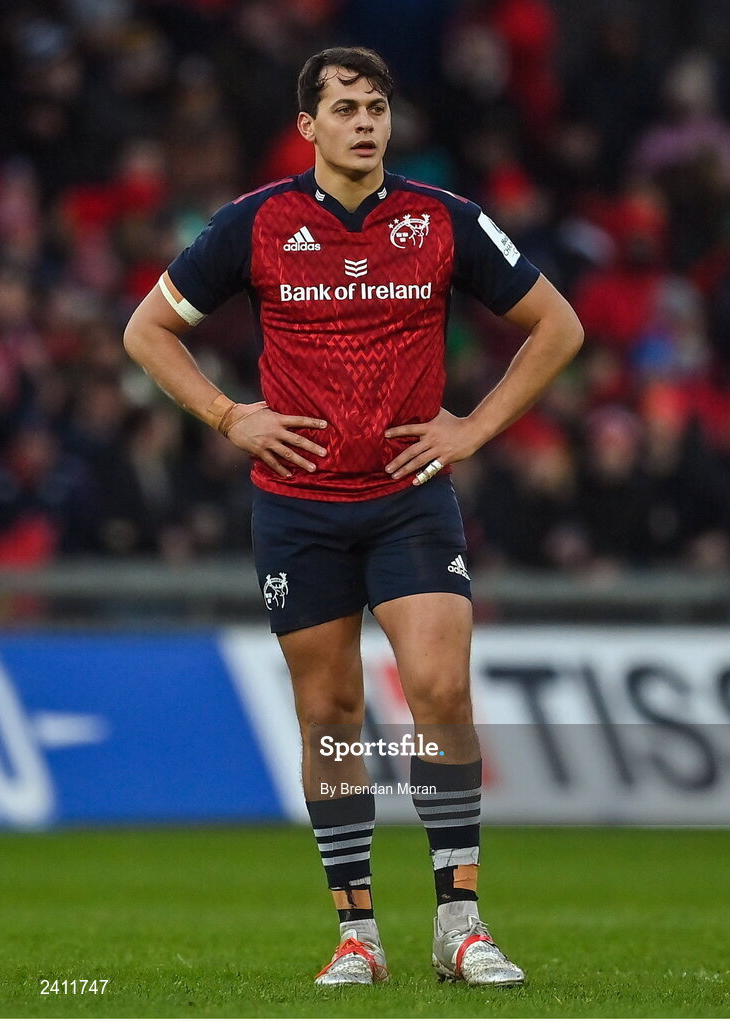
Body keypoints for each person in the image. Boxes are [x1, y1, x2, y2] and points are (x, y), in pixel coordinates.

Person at [124, 46, 583, 987]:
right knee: (329, 713)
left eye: (377, 106)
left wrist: (476, 427)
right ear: (309, 126)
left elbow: (560, 326)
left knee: (440, 690)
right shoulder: (256, 224)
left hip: (410, 498)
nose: (365, 122)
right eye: (346, 108)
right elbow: (146, 330)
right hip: (297, 510)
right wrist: (228, 415)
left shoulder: (441, 220)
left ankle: (460, 923)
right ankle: (357, 935)